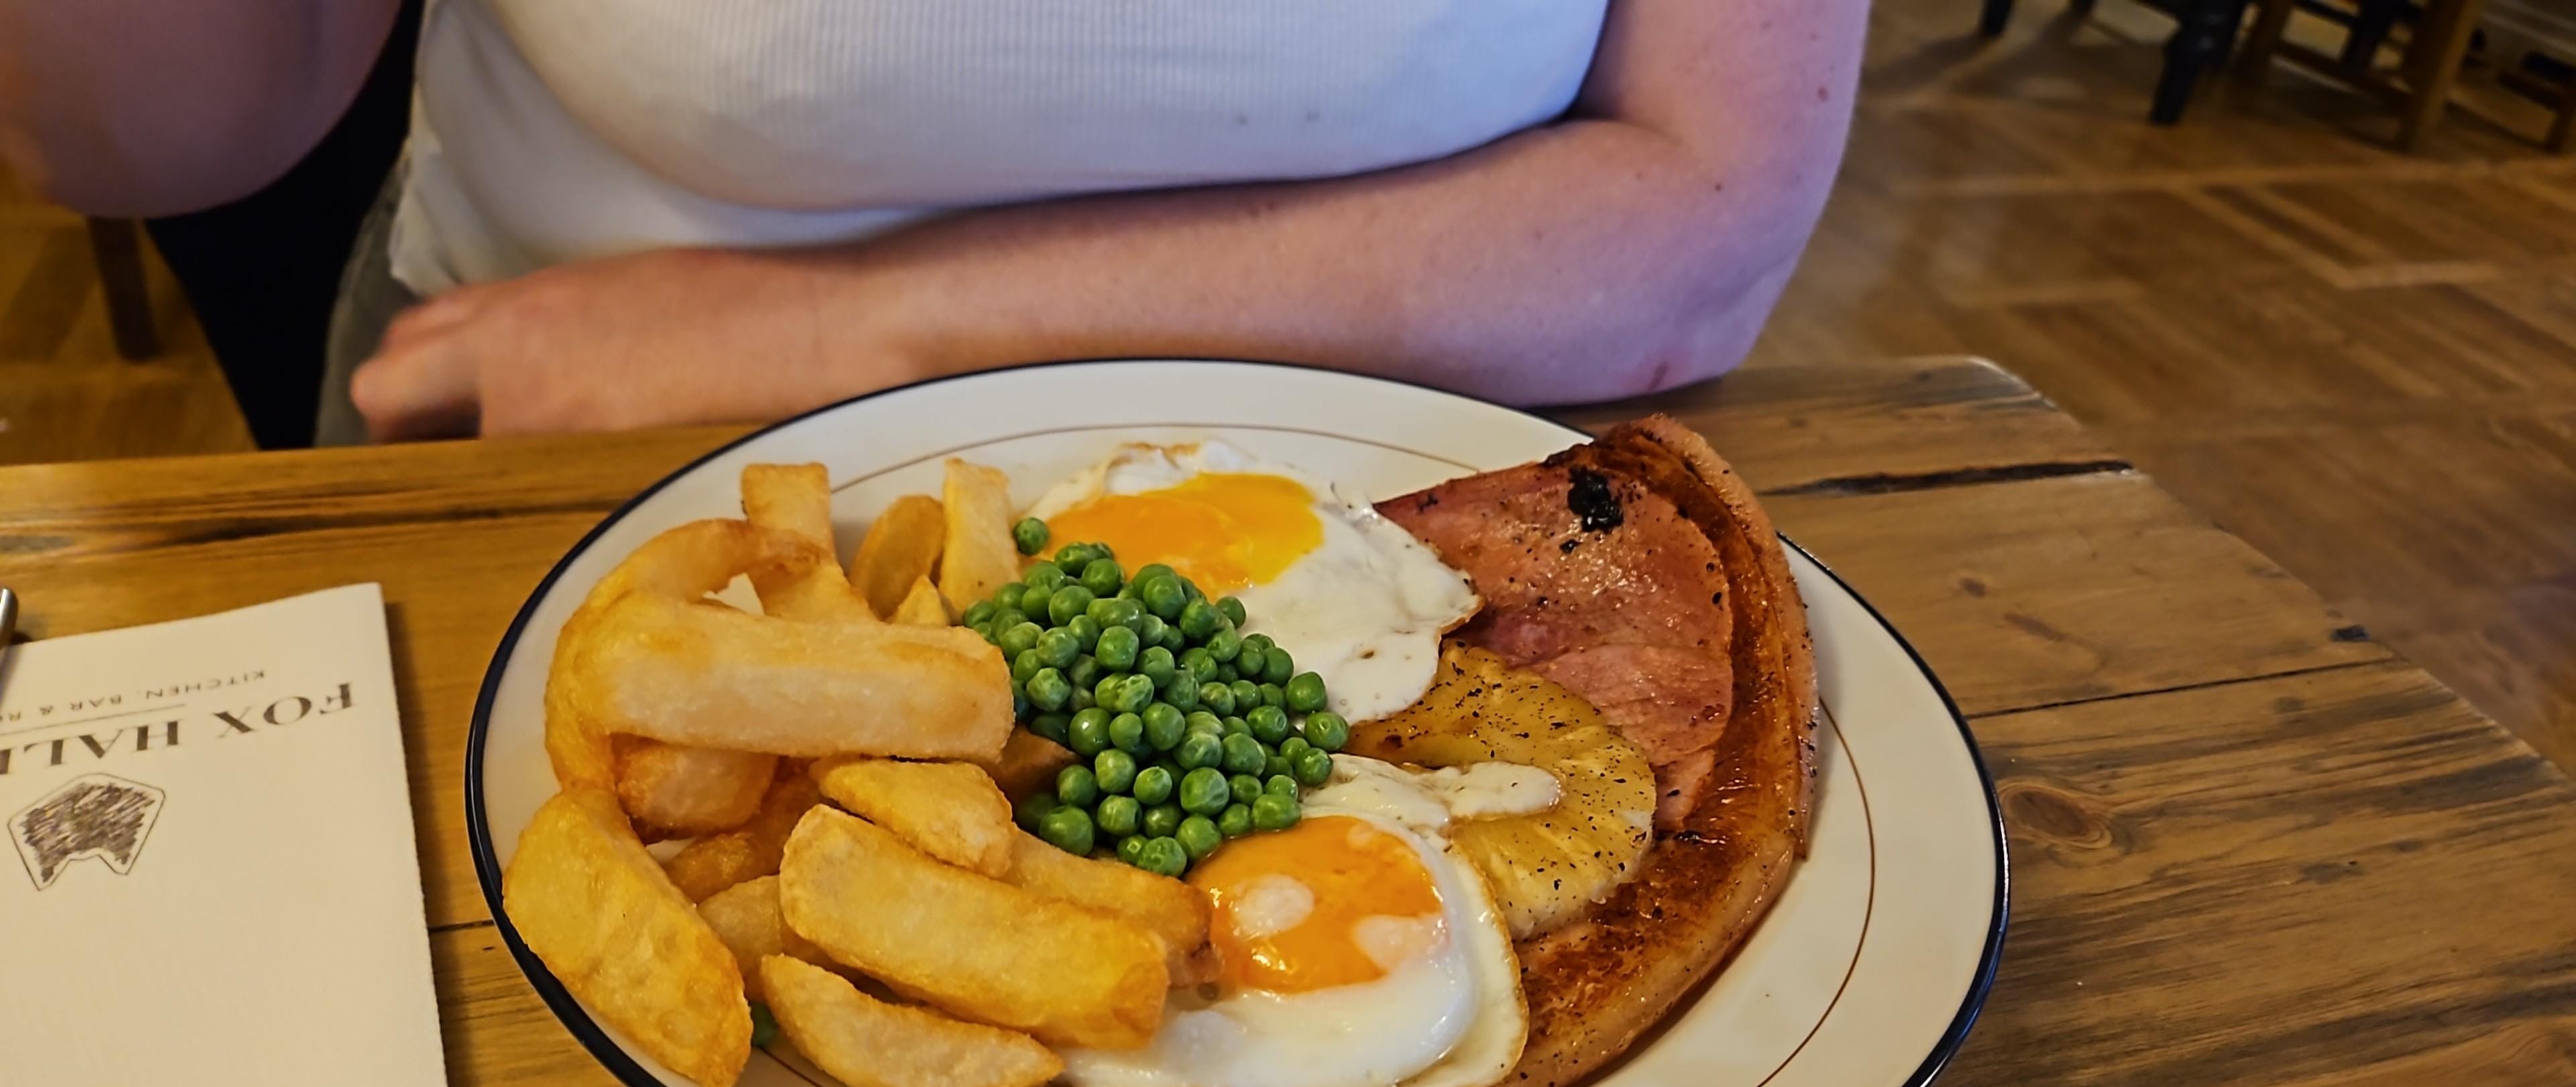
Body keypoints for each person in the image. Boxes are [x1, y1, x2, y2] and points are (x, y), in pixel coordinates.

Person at [4, 1, 1865, 447]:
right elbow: (170, 133)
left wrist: (846, 327)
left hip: (1420, 472)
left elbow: (1705, 216)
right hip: (566, 457)